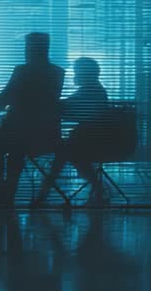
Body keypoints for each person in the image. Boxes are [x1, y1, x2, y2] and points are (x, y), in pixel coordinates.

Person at [0, 32, 65, 205]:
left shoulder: (23, 71)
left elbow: (4, 100)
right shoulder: (57, 72)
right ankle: (7, 192)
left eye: (27, 47)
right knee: (15, 148)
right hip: (48, 137)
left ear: (31, 49)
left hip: (19, 136)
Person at [35, 57, 111, 204]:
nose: (75, 75)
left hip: (89, 140)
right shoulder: (92, 89)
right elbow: (69, 106)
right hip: (87, 138)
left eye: (77, 71)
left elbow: (68, 107)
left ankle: (43, 194)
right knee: (69, 155)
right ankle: (98, 188)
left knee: (63, 154)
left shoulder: (91, 91)